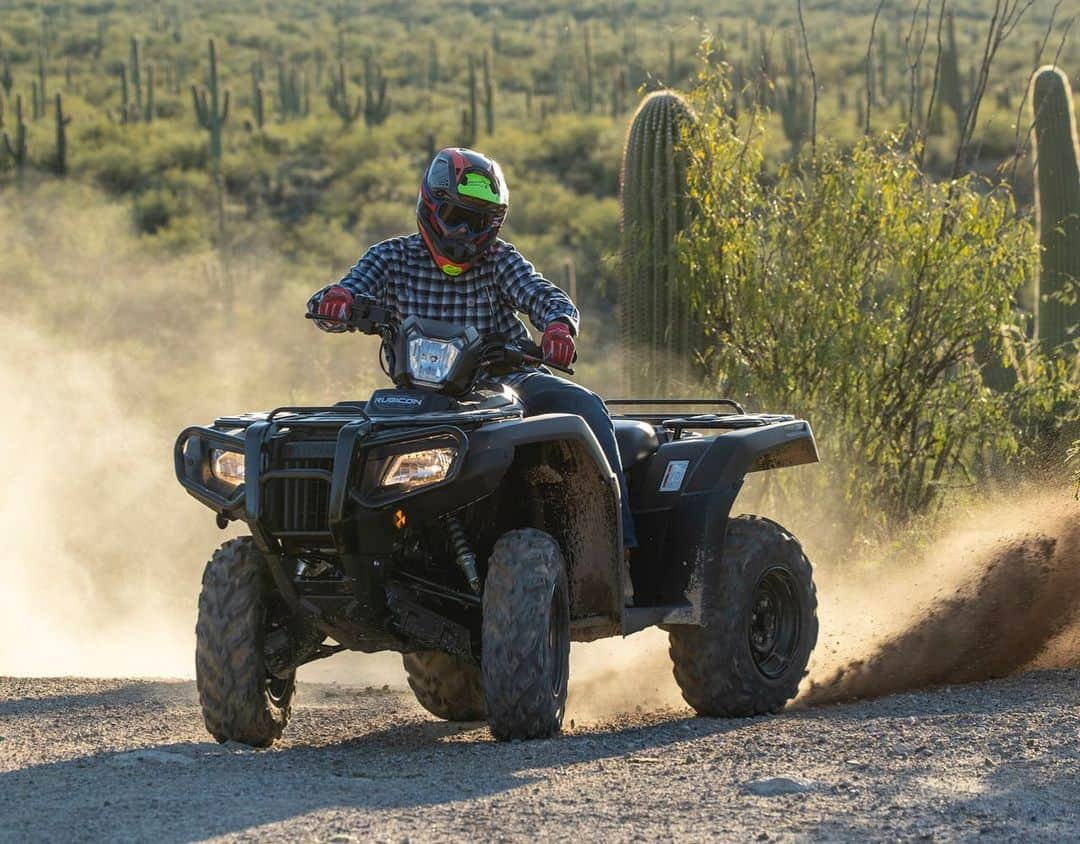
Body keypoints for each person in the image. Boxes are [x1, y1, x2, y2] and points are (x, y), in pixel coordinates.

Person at [307, 147, 638, 568]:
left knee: (584, 405)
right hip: (418, 394)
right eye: (456, 216)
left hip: (504, 384)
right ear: (430, 206)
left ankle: (619, 549)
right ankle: (334, 555)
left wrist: (558, 327)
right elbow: (347, 290)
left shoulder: (499, 260)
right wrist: (337, 302)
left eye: (478, 222)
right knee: (340, 442)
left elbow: (545, 296)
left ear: (494, 226)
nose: (464, 232)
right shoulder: (391, 257)